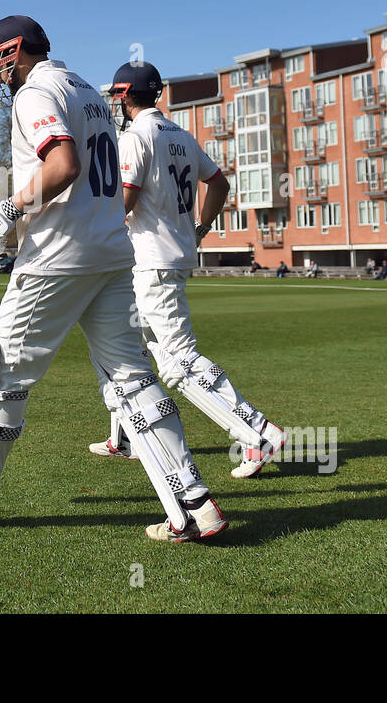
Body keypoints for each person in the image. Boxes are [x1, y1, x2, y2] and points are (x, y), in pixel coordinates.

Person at [0, 16, 227, 543]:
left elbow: (61, 165)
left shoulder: (34, 93)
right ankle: (194, 507)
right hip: (111, 254)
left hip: (56, 258)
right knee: (133, 377)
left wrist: (8, 208)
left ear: (13, 52)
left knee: (0, 380)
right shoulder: (86, 89)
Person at [89, 62, 287, 481]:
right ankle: (126, 435)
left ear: (125, 95)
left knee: (178, 359)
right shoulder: (181, 135)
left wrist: (93, 231)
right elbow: (219, 185)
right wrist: (200, 229)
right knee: (130, 347)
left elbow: (125, 199)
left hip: (152, 262)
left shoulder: (135, 137)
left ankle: (258, 433)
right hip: (167, 256)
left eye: (116, 95)